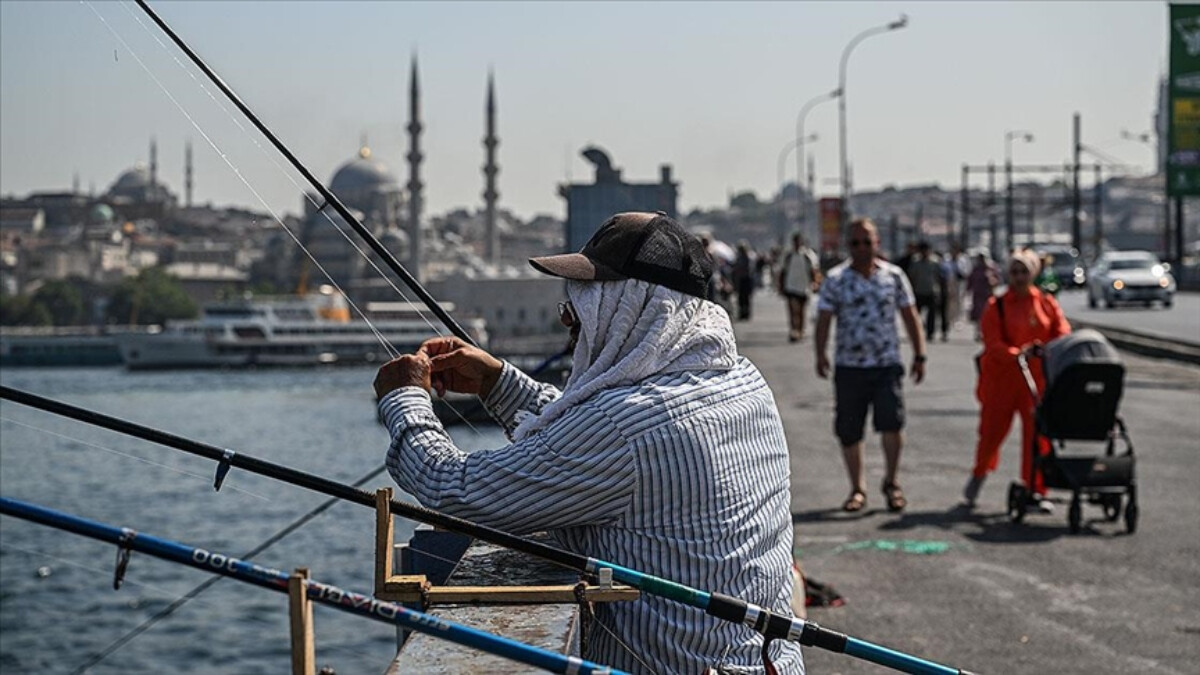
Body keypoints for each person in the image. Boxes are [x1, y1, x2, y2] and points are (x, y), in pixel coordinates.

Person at [373, 212, 804, 674]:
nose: (571, 324)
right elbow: (589, 437)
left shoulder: (624, 429)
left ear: (628, 310)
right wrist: (498, 382)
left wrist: (405, 400)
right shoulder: (741, 381)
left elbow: (455, 489)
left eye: (576, 309)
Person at [814, 219, 927, 513]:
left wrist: (920, 353)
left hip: (886, 363)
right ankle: (857, 488)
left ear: (877, 244)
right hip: (849, 366)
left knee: (892, 423)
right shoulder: (836, 279)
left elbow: (909, 314)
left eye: (867, 242)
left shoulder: (894, 276)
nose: (862, 248)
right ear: (847, 246)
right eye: (855, 243)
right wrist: (820, 353)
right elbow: (824, 318)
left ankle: (892, 482)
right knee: (850, 429)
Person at [963, 250, 1071, 510]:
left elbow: (1062, 332)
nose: (1020, 277)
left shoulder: (1046, 303)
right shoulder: (996, 305)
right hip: (1002, 380)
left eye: (1024, 271)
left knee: (1037, 436)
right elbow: (993, 343)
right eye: (1015, 272)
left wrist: (1051, 349)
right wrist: (1018, 353)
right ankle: (980, 472)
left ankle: (1036, 488)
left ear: (1033, 273)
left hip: (1036, 382)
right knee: (991, 434)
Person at [777, 233, 821, 342]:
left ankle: (801, 329)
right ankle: (794, 329)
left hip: (804, 286)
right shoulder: (788, 256)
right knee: (793, 309)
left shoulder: (808, 255)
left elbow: (814, 271)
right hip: (791, 285)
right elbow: (782, 271)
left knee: (801, 310)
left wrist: (815, 283)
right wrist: (780, 285)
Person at [906, 241, 943, 342]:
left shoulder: (935, 262)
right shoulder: (915, 262)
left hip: (932, 291)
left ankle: (930, 333)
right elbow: (911, 277)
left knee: (932, 315)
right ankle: (917, 332)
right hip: (919, 291)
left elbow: (939, 276)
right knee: (917, 315)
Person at [965, 252, 1000, 341]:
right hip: (978, 294)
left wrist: (992, 281)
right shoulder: (976, 269)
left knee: (988, 314)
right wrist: (968, 290)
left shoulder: (991, 268)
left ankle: (988, 332)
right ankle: (979, 332)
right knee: (979, 315)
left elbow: (998, 279)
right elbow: (970, 280)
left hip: (988, 295)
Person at [732, 240, 757, 321]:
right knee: (740, 298)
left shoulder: (749, 257)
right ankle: (742, 313)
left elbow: (750, 269)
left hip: (747, 279)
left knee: (746, 297)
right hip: (741, 279)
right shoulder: (739, 258)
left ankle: (746, 313)